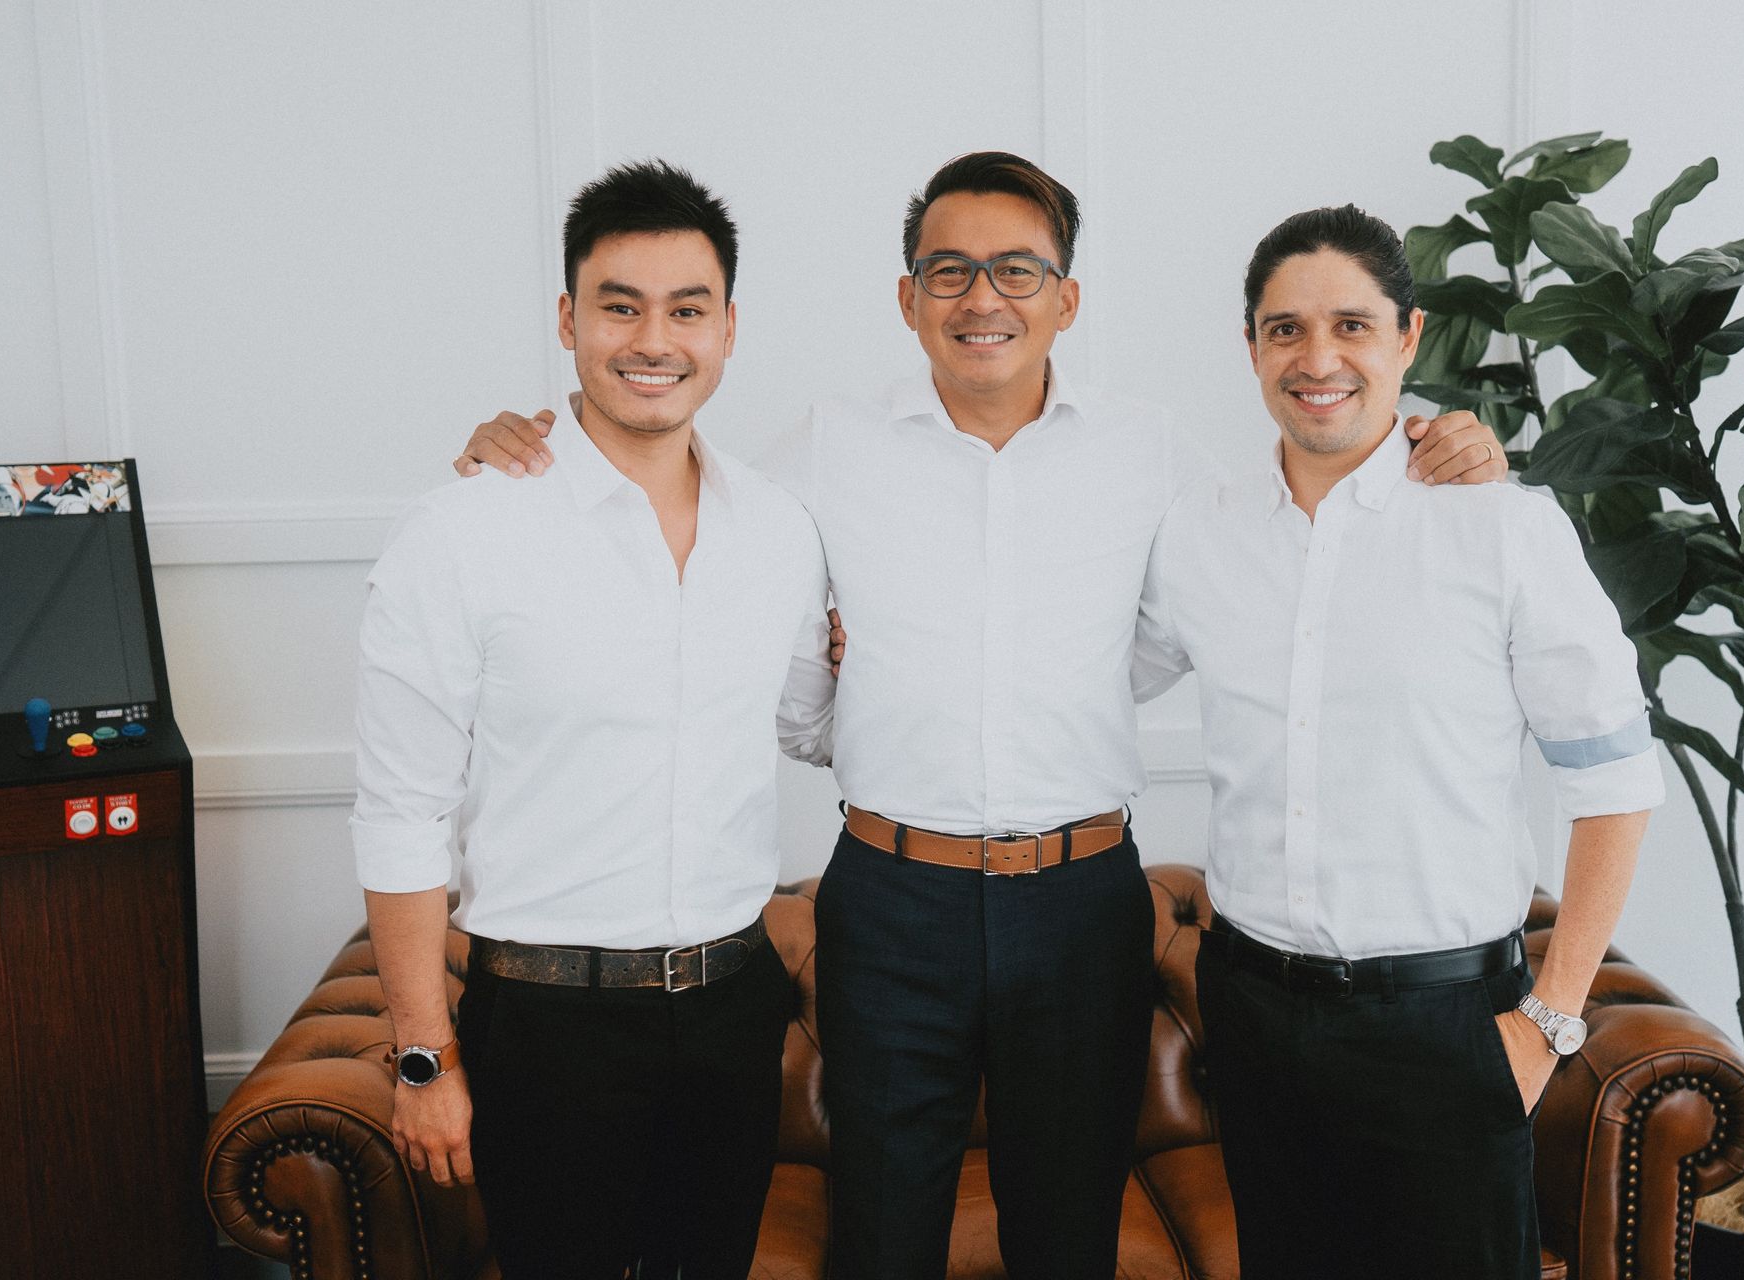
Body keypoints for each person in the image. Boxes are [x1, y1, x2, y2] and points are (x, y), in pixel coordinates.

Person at [453, 155, 1508, 1279]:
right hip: (893, 900)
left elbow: (1290, 525)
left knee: (1068, 1233)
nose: (982, 297)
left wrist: (1439, 434)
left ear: (1068, 298)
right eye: (948, 270)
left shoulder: (1148, 451)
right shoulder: (825, 449)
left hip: (1084, 901)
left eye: (1017, 269)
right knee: (885, 1229)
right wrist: (531, 447)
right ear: (908, 299)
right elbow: (672, 531)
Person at [1133, 204, 1662, 1279]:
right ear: (1250, 348)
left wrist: (1548, 1020)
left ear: (1408, 338)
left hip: (1448, 1024)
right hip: (1253, 1007)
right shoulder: (1199, 531)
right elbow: (1090, 676)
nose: (1316, 358)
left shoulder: (1502, 526)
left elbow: (1614, 780)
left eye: (1351, 325)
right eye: (1284, 329)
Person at [351, 160, 837, 1280]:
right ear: (569, 321)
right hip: (547, 1017)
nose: (652, 338)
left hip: (730, 1002)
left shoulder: (778, 528)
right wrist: (422, 1056)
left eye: (687, 308)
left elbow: (812, 725)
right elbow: (400, 808)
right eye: (620, 305)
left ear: (728, 329)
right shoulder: (463, 530)